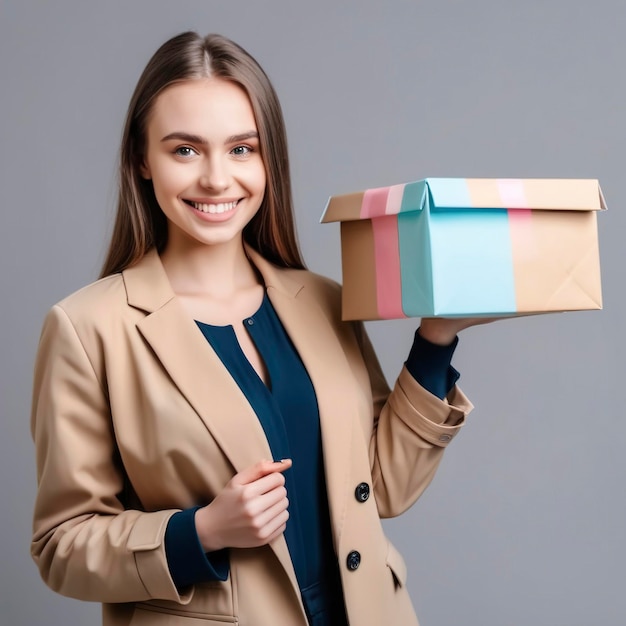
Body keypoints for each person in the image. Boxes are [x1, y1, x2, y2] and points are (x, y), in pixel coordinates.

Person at [30, 31, 485, 626]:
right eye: (185, 150)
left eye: (242, 149)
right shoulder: (88, 329)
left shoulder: (322, 300)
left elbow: (381, 485)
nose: (217, 179)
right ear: (142, 159)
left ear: (270, 159)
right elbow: (61, 545)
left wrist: (436, 338)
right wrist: (201, 532)